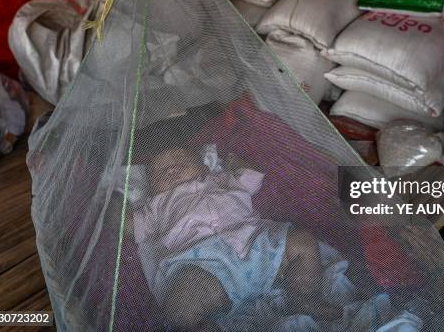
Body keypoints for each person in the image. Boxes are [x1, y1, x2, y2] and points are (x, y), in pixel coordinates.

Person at [132, 132, 340, 331]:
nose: (171, 169)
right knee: (179, 311)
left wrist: (239, 165)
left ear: (203, 166)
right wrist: (114, 211)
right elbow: (132, 227)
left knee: (302, 242)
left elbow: (252, 179)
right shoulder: (155, 206)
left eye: (180, 161)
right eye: (160, 170)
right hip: (205, 266)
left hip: (256, 244)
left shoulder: (221, 179)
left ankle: (304, 298)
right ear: (151, 187)